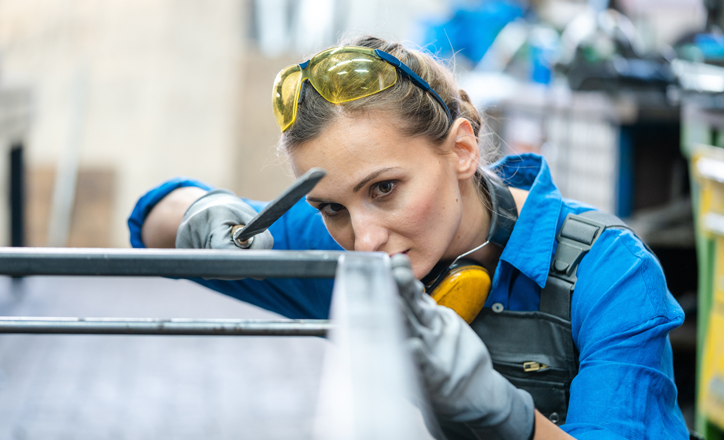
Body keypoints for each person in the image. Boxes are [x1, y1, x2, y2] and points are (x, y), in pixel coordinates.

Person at [128, 36, 689, 439]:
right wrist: (204, 212)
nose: (365, 240)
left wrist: (511, 420)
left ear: (463, 149)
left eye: (385, 188)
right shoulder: (357, 253)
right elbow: (154, 220)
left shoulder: (611, 272)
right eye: (330, 208)